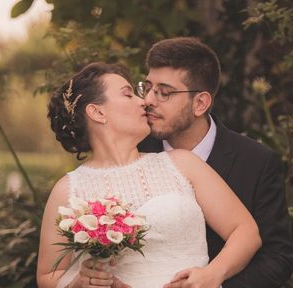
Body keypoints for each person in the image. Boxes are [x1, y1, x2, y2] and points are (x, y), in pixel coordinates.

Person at [37, 62, 261, 288]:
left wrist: (212, 274)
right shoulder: (68, 189)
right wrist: (80, 282)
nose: (143, 101)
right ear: (97, 112)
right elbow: (47, 276)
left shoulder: (182, 164)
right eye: (128, 94)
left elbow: (245, 231)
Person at [136, 37, 293, 288]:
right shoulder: (134, 153)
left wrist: (214, 282)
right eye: (147, 88)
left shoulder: (257, 161)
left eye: (164, 92)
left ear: (200, 103)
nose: (148, 101)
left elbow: (278, 258)